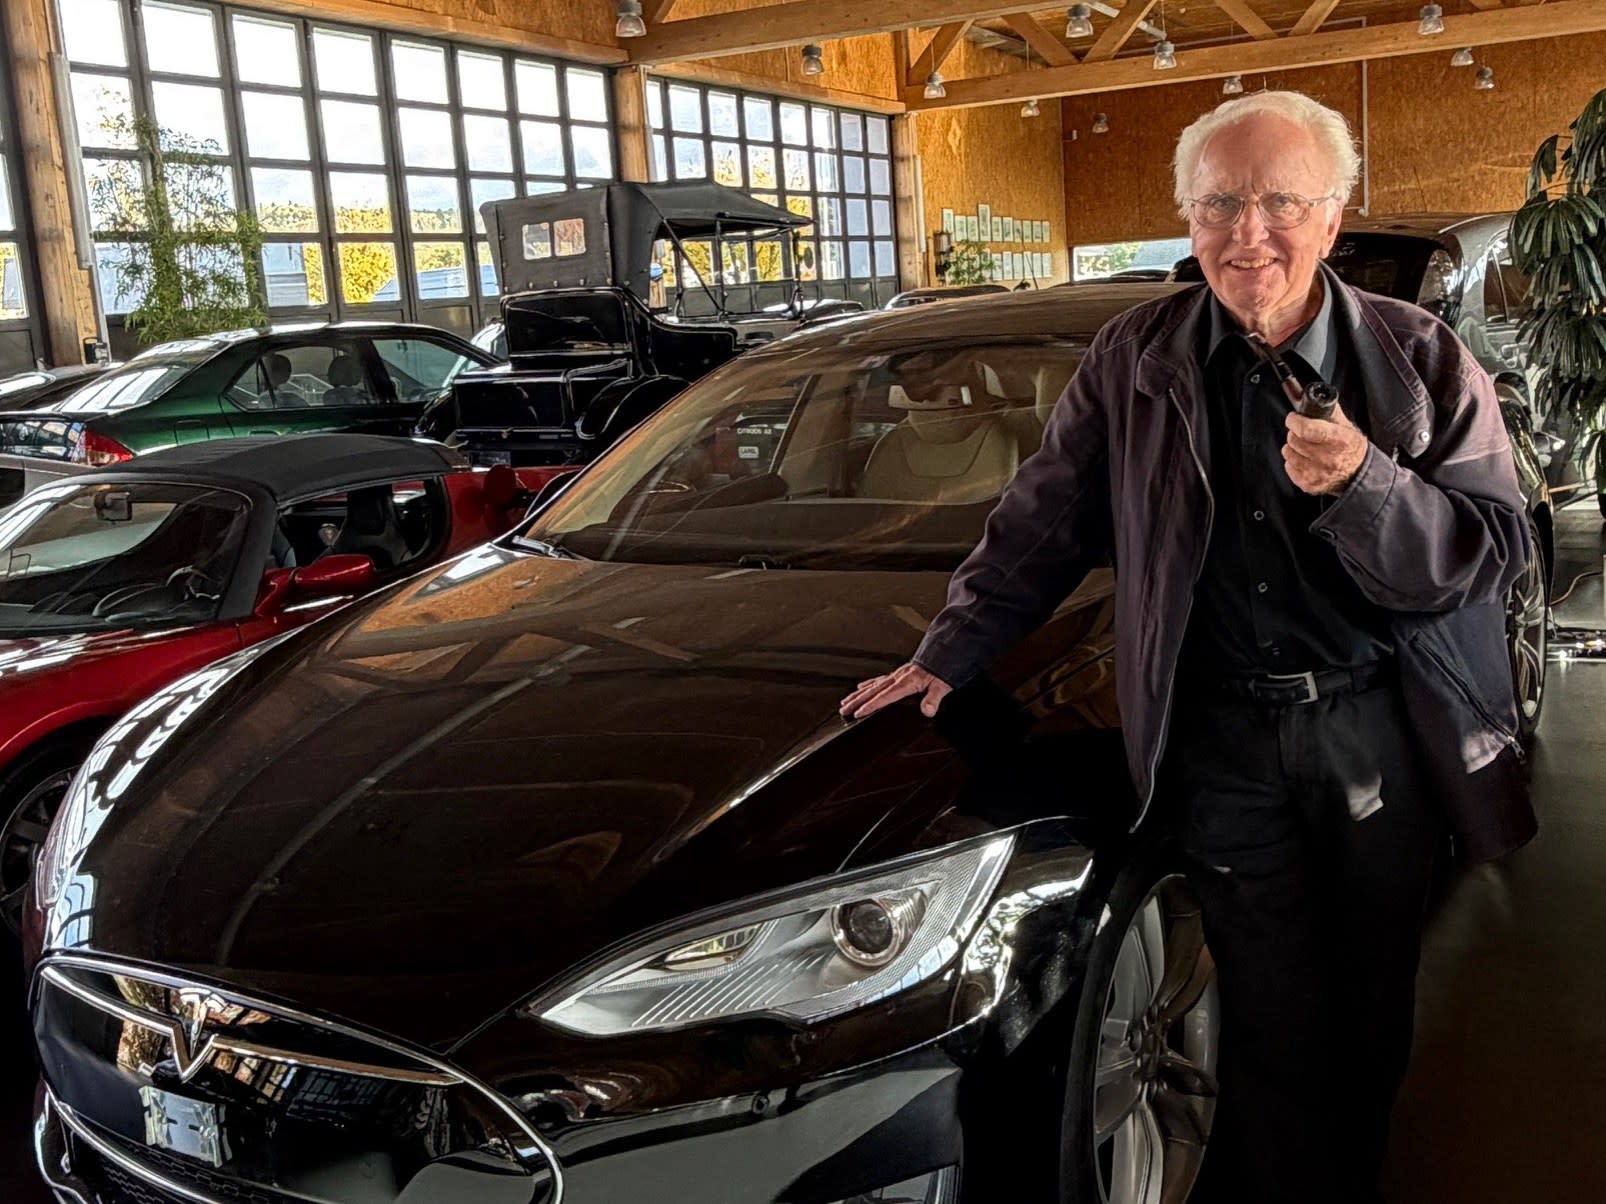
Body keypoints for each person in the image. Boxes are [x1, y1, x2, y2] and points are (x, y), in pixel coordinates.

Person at [840, 91, 1535, 1203]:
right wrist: (949, 650)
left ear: (1331, 216)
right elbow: (1041, 518)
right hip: (1219, 739)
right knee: (1262, 1010)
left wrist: (1366, 485)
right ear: (1186, 215)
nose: (1247, 233)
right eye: (1218, 204)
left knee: (1368, 999)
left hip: (1377, 736)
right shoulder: (1134, 355)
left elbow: (1491, 552)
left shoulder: (1418, 360)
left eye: (1279, 203)